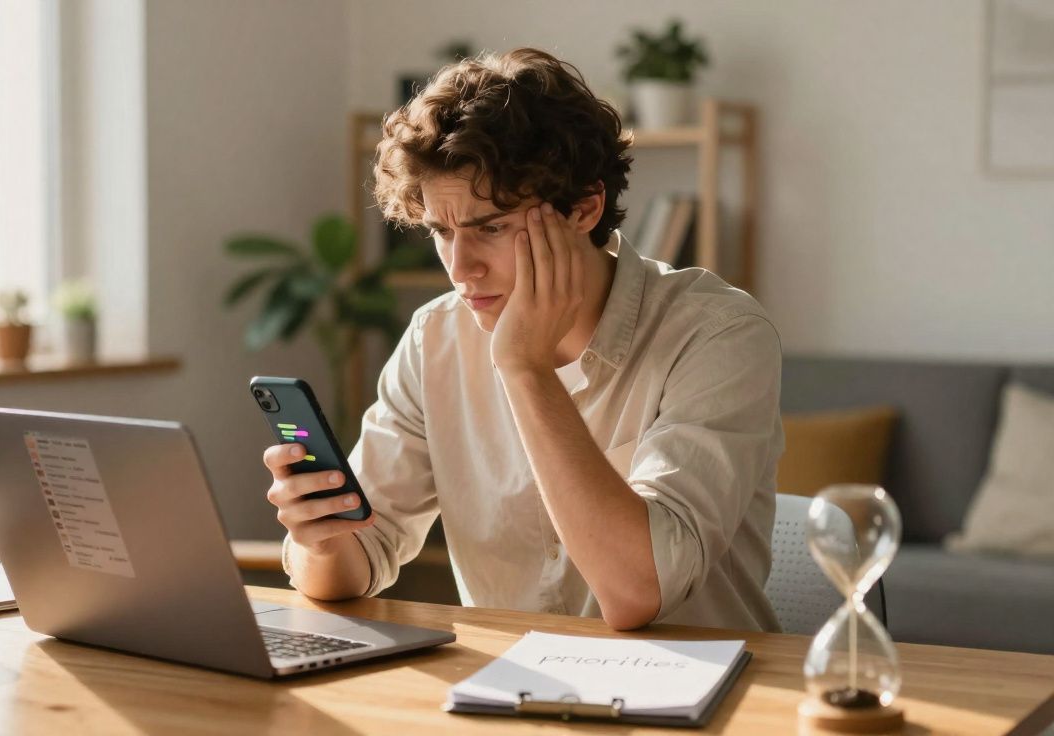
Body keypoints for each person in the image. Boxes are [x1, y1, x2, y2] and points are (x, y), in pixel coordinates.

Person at [262, 48, 783, 631]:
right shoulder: (436, 337)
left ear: (585, 208)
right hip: (506, 695)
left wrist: (525, 369)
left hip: (702, 696)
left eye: (491, 228)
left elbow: (640, 592)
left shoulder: (718, 336)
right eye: (440, 231)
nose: (460, 268)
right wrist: (323, 541)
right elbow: (360, 557)